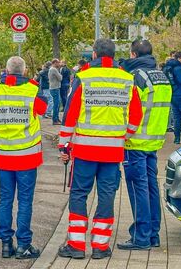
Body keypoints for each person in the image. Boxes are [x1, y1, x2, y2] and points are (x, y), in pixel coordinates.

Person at [57, 39, 142, 260]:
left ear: (94, 54)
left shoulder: (83, 78)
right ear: (113, 55)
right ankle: (100, 246)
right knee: (106, 196)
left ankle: (76, 244)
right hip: (113, 151)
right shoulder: (127, 79)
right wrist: (125, 136)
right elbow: (136, 117)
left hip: (85, 150)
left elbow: (70, 113)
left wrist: (64, 144)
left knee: (79, 194)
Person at [0, 56, 48, 259]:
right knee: (24, 200)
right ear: (24, 71)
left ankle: (6, 243)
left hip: (3, 154)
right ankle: (24, 245)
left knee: (5, 198)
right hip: (26, 155)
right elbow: (43, 109)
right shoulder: (31, 90)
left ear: (5, 70)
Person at [117, 40, 172, 250]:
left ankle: (141, 236)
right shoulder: (161, 75)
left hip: (135, 140)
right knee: (151, 186)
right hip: (154, 140)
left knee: (137, 188)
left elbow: (129, 108)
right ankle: (153, 234)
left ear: (133, 54)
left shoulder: (136, 77)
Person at [48, 59, 63, 125]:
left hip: (54, 88)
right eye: (58, 62)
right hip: (55, 88)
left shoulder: (52, 69)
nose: (59, 64)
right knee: (56, 105)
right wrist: (59, 72)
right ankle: (55, 120)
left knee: (57, 104)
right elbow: (60, 78)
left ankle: (56, 118)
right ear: (55, 63)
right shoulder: (54, 69)